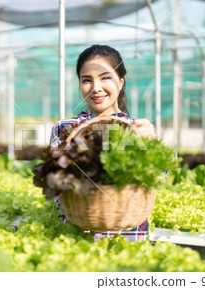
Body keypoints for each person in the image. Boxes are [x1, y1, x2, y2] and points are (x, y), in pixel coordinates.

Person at [49, 44, 157, 242]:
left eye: (105, 78)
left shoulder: (138, 129)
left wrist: (153, 145)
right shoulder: (65, 128)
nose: (96, 88)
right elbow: (56, 189)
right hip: (77, 238)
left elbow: (156, 180)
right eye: (86, 80)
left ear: (121, 81)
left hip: (129, 239)